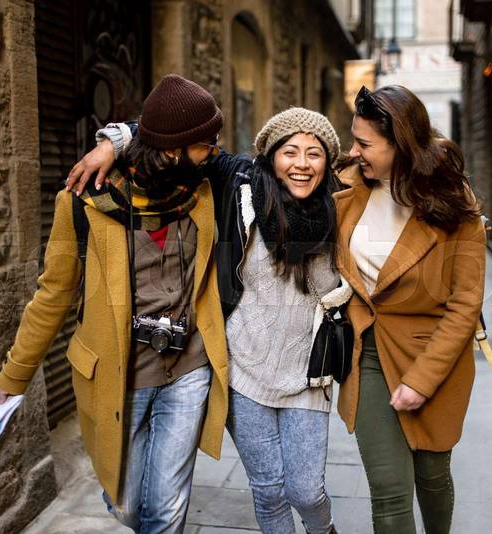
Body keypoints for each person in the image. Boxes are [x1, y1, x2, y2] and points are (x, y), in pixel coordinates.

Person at [68, 108, 352, 534]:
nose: (302, 163)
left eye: (314, 153)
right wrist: (114, 141)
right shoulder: (240, 184)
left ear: (329, 160)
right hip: (244, 370)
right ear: (270, 155)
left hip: (307, 375)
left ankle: (324, 529)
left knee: (307, 492)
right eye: (290, 151)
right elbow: (171, 132)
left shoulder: (345, 203)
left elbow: (399, 173)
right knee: (269, 490)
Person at [0, 74, 229, 533]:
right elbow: (54, 293)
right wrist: (14, 375)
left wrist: (119, 135)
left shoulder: (201, 192)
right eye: (204, 144)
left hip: (188, 368)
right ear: (170, 150)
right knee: (126, 506)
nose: (213, 153)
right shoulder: (82, 201)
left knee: (166, 509)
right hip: (118, 374)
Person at [333, 85, 486, 534]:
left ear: (400, 145)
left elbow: (465, 305)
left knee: (432, 477)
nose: (353, 150)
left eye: (364, 144)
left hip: (433, 357)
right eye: (353, 139)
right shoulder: (349, 183)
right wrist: (120, 139)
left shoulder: (455, 204)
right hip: (369, 357)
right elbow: (261, 166)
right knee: (389, 491)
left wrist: (421, 380)